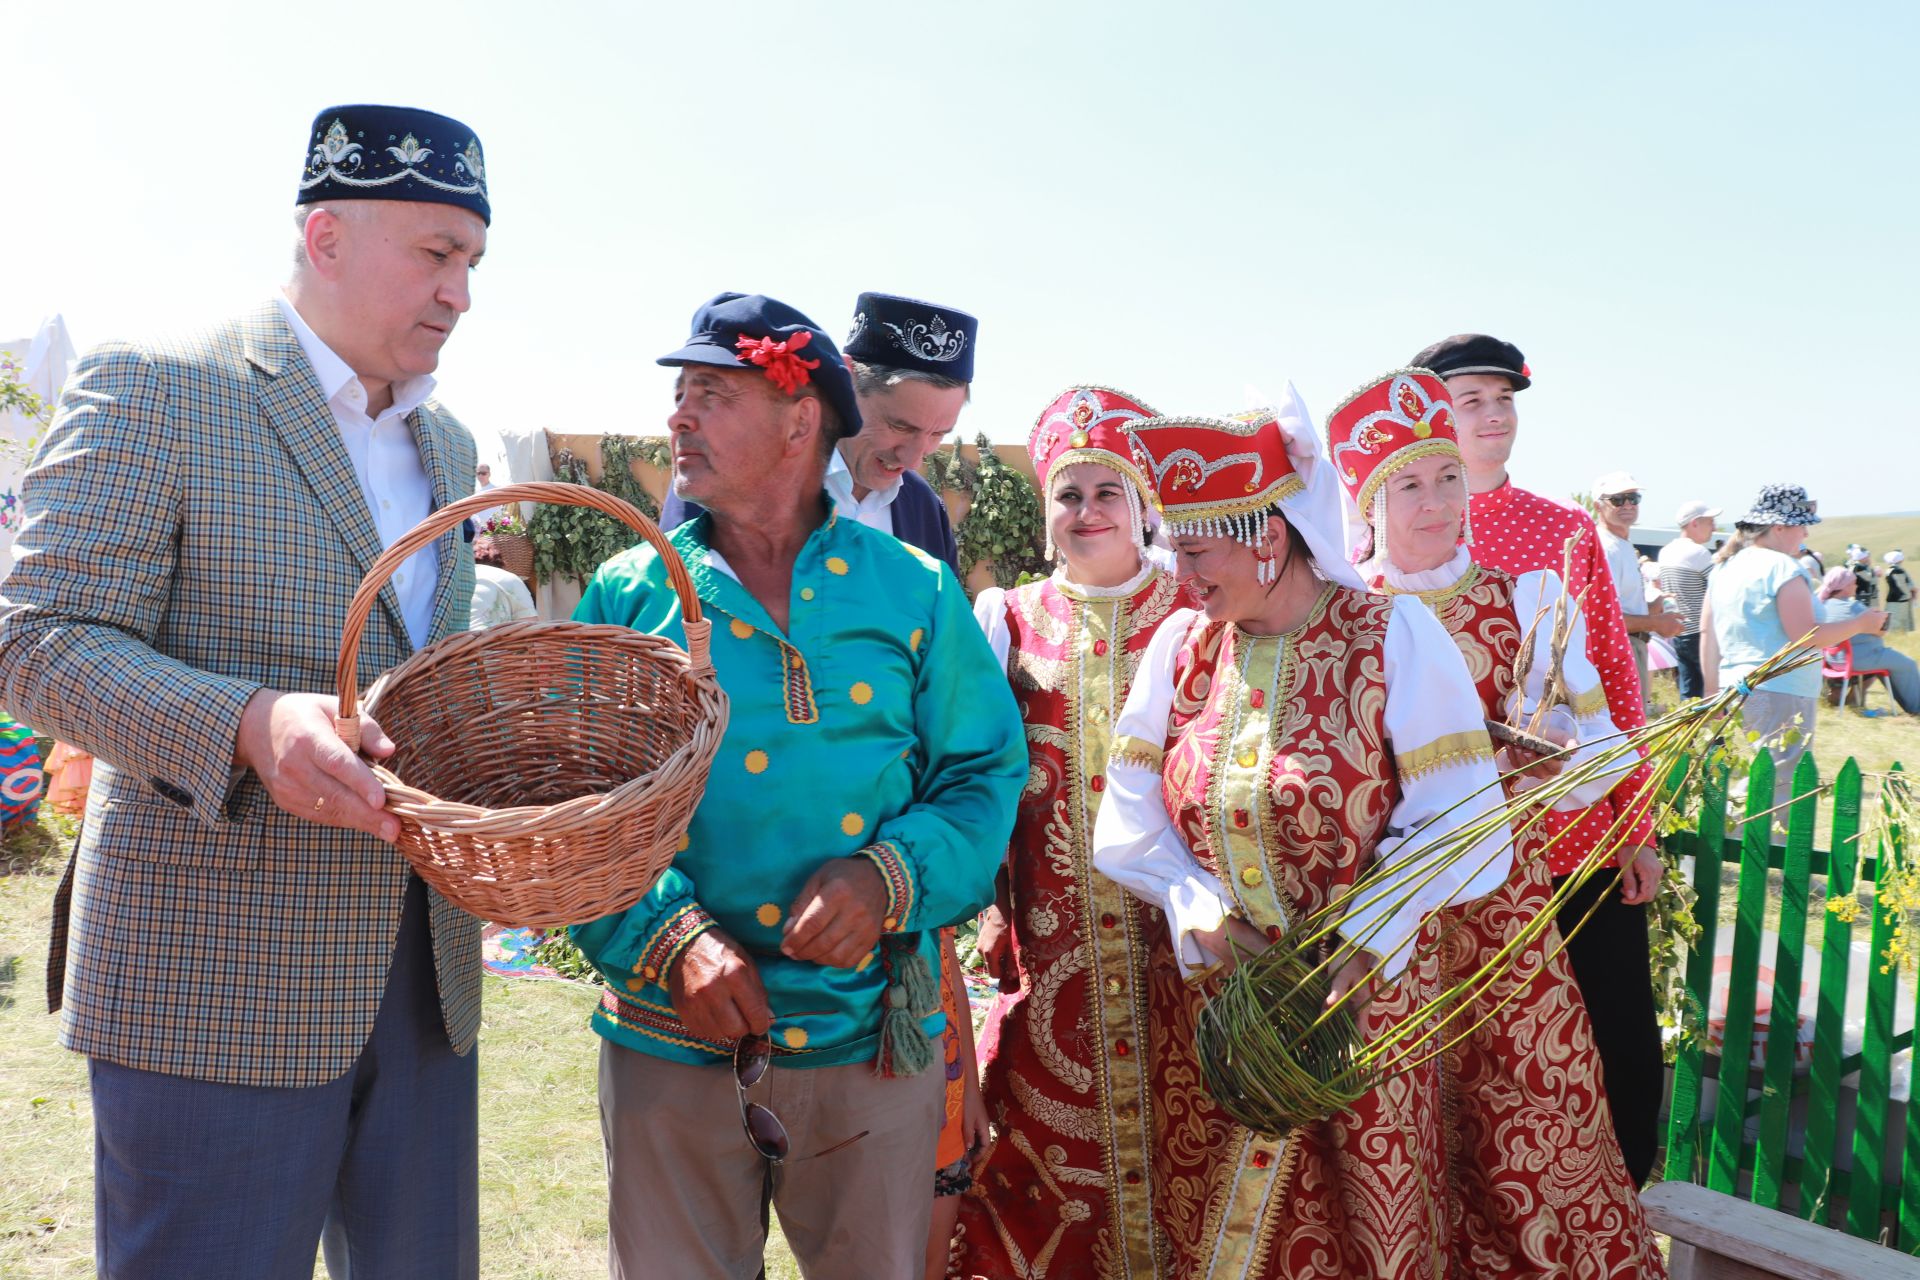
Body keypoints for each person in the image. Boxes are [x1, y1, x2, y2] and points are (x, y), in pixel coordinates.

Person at [0, 104, 489, 1275]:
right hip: (210, 989)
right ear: (324, 236)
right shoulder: (159, 382)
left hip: (428, 988)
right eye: (435, 253)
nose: (461, 293)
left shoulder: (455, 449)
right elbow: (34, 637)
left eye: (472, 261)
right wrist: (248, 721)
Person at [1092, 396, 1651, 1278]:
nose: (1179, 572)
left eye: (1196, 551)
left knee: (1376, 1219)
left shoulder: (1391, 632)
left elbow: (1458, 817)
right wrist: (1194, 904)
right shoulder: (1183, 646)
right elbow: (1125, 808)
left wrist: (1356, 947)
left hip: (1370, 999)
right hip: (1228, 1002)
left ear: (1267, 538)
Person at [568, 292, 1024, 1280]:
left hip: (867, 1047)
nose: (678, 416)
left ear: (800, 417)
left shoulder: (914, 585)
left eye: (710, 393)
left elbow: (985, 768)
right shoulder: (628, 591)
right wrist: (665, 937)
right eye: (679, 393)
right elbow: (576, 805)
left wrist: (888, 875)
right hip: (668, 1042)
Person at [1328, 367, 1661, 1272]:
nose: (1436, 503)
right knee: (1396, 1150)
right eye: (1408, 485)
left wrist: (1548, 759)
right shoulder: (1343, 616)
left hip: (1505, 921)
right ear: (1367, 500)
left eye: (1445, 478)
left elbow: (1601, 759)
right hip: (1385, 929)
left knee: (1532, 1138)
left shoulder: (1529, 601)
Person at [1410, 333, 1664, 1186]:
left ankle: (1620, 1206)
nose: (1492, 416)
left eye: (1503, 400)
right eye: (1469, 399)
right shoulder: (1393, 527)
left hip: (1572, 834)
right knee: (1484, 1046)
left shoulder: (1563, 532)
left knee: (1612, 1026)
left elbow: (1616, 687)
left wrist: (1636, 823)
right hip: (1455, 848)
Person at [952, 385, 1191, 1280]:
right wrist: (986, 905)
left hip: (1180, 946)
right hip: (1050, 947)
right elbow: (976, 780)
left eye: (1107, 492)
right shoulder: (1005, 620)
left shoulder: (1197, 610)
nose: (1087, 512)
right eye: (1068, 493)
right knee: (1045, 1165)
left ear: (1141, 505)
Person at [661, 291, 972, 574]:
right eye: (900, 426)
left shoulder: (923, 505)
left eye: (938, 434)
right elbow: (672, 602)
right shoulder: (727, 476)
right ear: (848, 381)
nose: (914, 458)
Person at [1702, 486, 1887, 809]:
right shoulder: (1783, 568)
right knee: (1776, 782)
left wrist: (1709, 691)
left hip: (1735, 686)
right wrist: (1862, 624)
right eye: (1802, 524)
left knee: (1756, 773)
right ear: (1779, 527)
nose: (1805, 532)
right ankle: (1741, 848)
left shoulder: (1724, 568)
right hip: (1781, 689)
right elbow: (1805, 634)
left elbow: (1708, 633)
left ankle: (1716, 844)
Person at [1592, 471, 1684, 698]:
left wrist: (1653, 607)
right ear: (1598, 506)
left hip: (1628, 646)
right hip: (1619, 651)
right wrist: (1656, 622)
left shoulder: (1619, 545)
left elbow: (1617, 610)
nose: (1627, 505)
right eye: (1617, 499)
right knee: (1629, 731)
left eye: (1633, 498)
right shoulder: (1607, 548)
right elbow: (1601, 620)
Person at [1816, 567, 1920, 713]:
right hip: (1860, 658)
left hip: (1834, 660)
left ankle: (1856, 699)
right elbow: (1880, 632)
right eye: (1853, 582)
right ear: (1844, 586)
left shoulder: (1823, 605)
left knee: (1892, 663)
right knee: (1908, 664)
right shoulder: (1852, 607)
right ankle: (1916, 707)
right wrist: (1879, 615)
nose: (1856, 585)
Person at [1658, 499, 1722, 698]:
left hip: (1679, 632)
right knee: (1714, 693)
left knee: (1689, 693)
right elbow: (1720, 589)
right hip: (1701, 633)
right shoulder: (1699, 553)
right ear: (1695, 523)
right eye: (1710, 521)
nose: (1714, 527)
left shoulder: (1666, 551)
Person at [469, 535, 537, 629]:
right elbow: (529, 626)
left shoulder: (460, 578)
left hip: (454, 640)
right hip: (492, 641)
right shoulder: (510, 579)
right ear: (498, 558)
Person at [1885, 550, 1914, 632]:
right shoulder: (1897, 571)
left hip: (1893, 598)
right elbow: (1902, 586)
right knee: (1900, 622)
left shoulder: (1889, 570)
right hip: (1900, 599)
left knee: (1893, 620)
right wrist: (1909, 595)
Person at [470, 460, 504, 528]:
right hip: (480, 530)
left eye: (483, 473)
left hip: (494, 529)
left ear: (489, 474)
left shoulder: (496, 490)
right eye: (478, 473)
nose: (480, 475)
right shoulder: (475, 493)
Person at [1848, 543, 1880, 608]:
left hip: (1859, 596)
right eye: (1866, 556)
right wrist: (1874, 572)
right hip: (1861, 597)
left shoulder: (1855, 566)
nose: (1868, 557)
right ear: (1862, 557)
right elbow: (1870, 579)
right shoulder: (1859, 567)